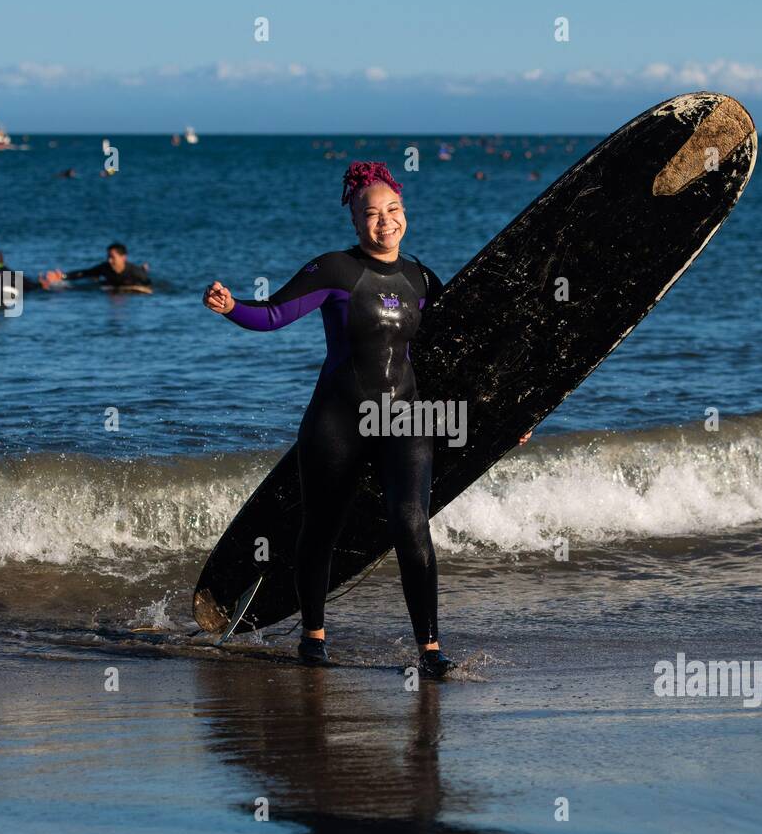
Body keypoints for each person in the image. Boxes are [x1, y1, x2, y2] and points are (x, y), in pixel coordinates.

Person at [204, 161, 530, 678]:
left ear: (405, 213)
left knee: (410, 522)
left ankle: (429, 649)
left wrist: (502, 418)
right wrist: (230, 307)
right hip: (338, 421)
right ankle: (313, 636)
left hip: (404, 418)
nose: (385, 222)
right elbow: (271, 315)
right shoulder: (335, 270)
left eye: (393, 210)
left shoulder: (420, 278)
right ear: (355, 222)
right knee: (321, 529)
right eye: (372, 214)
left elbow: (458, 356)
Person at [43, 242, 150, 288]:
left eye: (113, 257)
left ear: (123, 257)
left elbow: (147, 283)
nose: (109, 260)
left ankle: (144, 268)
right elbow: (83, 273)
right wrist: (62, 276)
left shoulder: (134, 271)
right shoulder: (105, 268)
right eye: (108, 257)